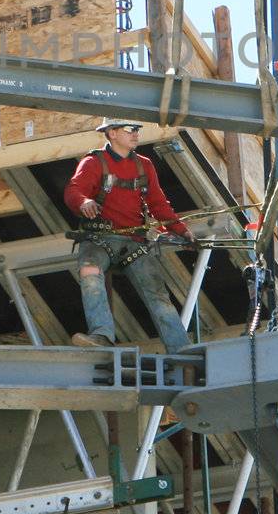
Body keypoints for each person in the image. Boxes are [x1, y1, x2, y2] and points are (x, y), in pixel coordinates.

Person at [62, 119, 196, 352]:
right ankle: (102, 335)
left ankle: (181, 349)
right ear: (112, 133)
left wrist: (182, 231)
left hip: (134, 243)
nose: (136, 134)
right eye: (130, 130)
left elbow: (158, 204)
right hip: (99, 240)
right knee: (90, 272)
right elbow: (74, 190)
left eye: (137, 130)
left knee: (157, 294)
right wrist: (84, 202)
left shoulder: (144, 166)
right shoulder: (93, 163)